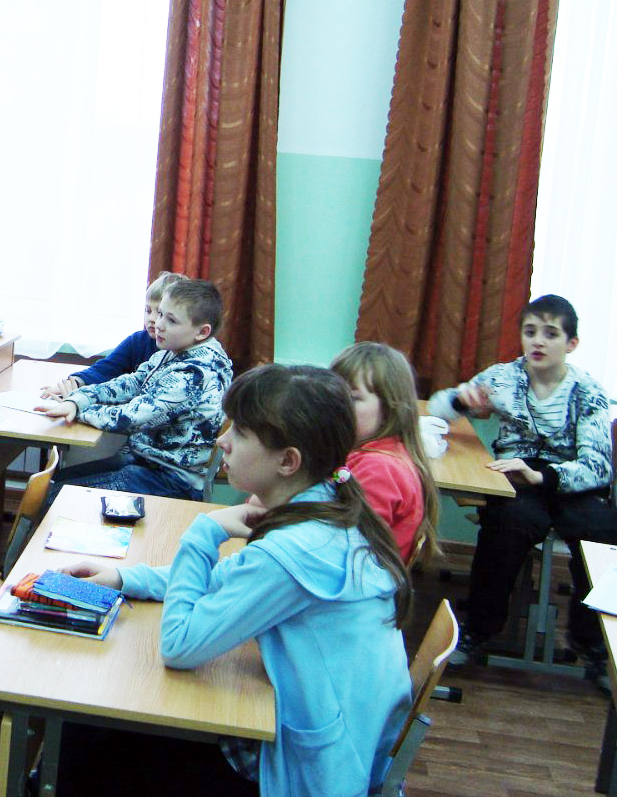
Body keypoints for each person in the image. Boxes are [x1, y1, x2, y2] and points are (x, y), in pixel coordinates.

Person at [50, 364, 413, 797]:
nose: (222, 440)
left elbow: (179, 647)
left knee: (91, 723)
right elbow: (226, 579)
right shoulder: (326, 508)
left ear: (288, 461)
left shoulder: (295, 550)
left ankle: (43, 783)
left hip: (302, 772)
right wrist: (124, 577)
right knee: (98, 726)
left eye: (239, 432)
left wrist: (204, 531)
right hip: (329, 744)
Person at [428, 294, 614, 679]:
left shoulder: (588, 391)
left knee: (601, 530)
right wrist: (461, 401)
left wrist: (545, 477)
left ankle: (592, 642)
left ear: (571, 343)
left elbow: (598, 466)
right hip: (517, 476)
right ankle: (479, 630)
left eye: (551, 334)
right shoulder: (504, 378)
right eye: (530, 332)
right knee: (507, 521)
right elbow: (437, 407)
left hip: (570, 480)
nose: (538, 342)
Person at [36, 278, 232, 504]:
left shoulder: (194, 374)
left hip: (172, 481)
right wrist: (78, 399)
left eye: (171, 320)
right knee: (57, 481)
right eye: (160, 314)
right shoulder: (172, 352)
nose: (159, 324)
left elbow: (131, 418)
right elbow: (132, 382)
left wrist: (80, 411)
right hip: (148, 463)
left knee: (56, 497)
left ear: (202, 332)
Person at [331, 341, 441, 565]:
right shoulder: (369, 453)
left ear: (390, 409)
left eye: (353, 398)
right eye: (332, 393)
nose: (335, 404)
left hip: (355, 580)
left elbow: (344, 548)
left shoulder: (379, 469)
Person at [39, 271, 185, 398]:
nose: (151, 318)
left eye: (159, 312)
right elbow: (105, 369)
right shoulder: (137, 341)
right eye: (147, 310)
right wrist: (75, 383)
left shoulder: (185, 354)